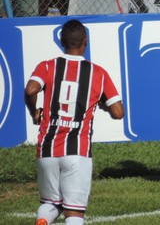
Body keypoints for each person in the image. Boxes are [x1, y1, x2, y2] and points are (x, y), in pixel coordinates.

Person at [24, 19, 125, 225]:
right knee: (74, 213)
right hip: (78, 151)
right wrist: (102, 104)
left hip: (48, 149)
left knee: (51, 202)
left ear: (61, 41)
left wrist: (35, 111)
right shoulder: (97, 73)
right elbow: (118, 112)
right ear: (85, 41)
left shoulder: (48, 66)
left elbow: (30, 90)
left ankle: (43, 220)